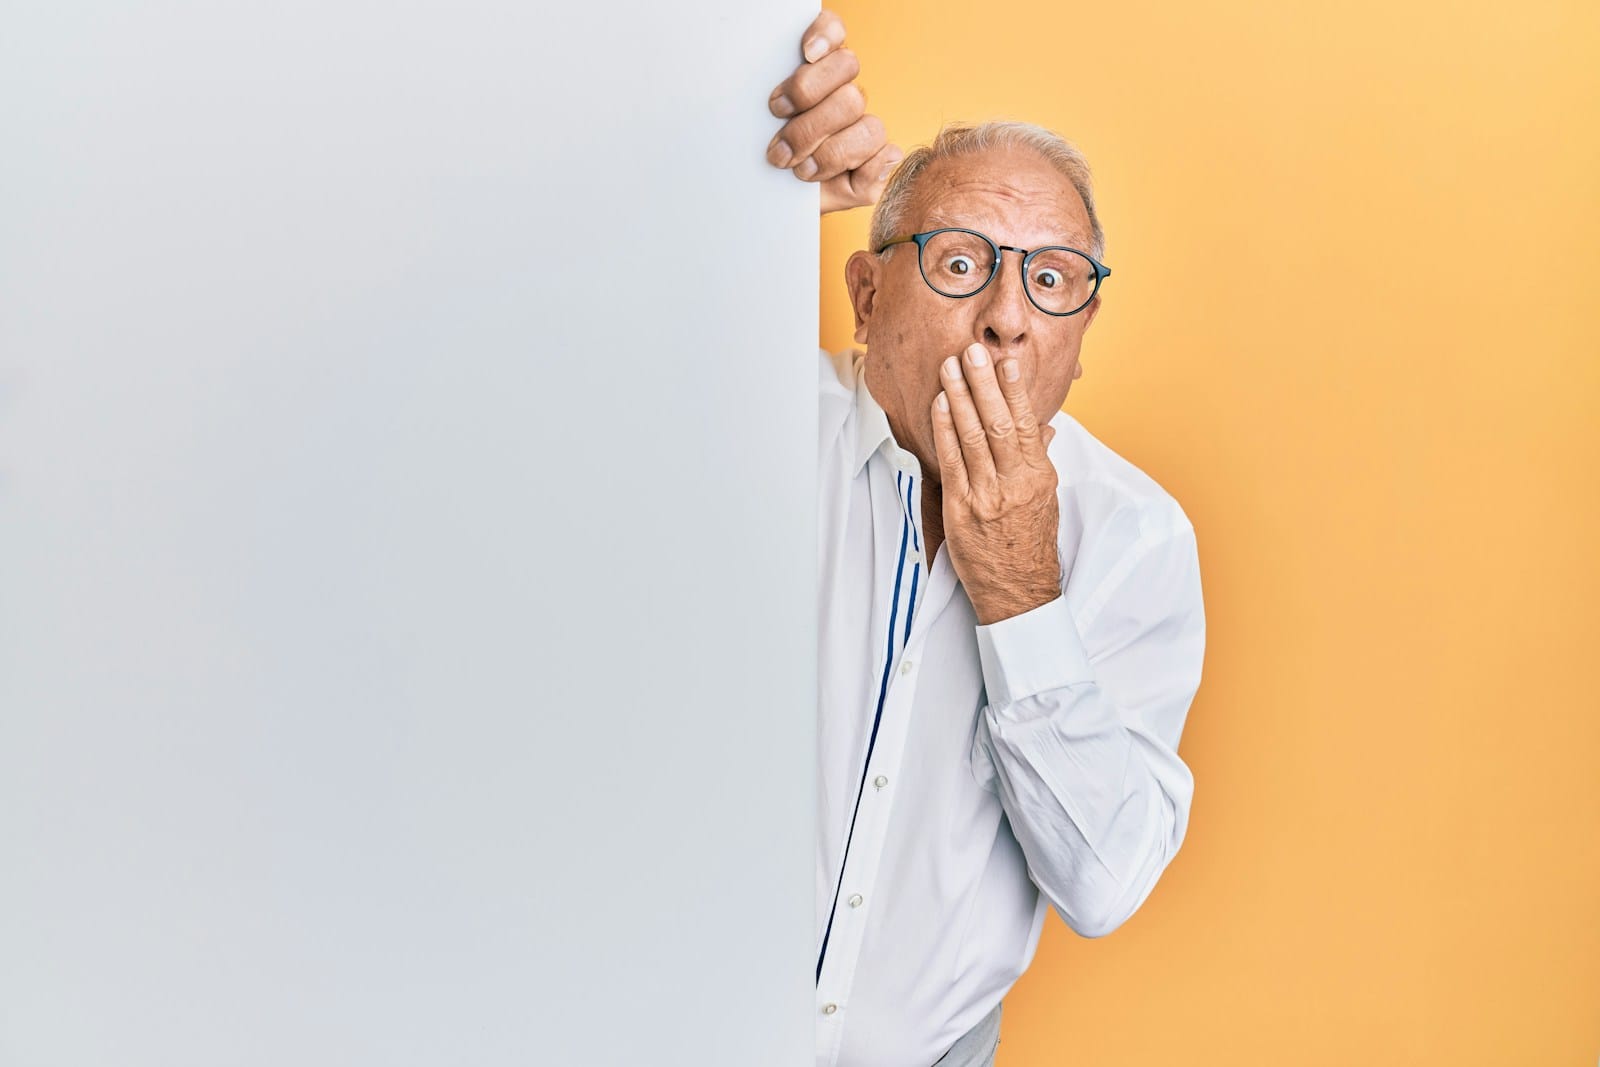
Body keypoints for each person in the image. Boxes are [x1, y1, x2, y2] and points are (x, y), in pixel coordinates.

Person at [769, 15, 1206, 1067]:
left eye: (1053, 280)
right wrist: (725, 175)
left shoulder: (1135, 536)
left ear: (1078, 339)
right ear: (867, 296)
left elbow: (1103, 881)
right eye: (961, 261)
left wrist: (1020, 590)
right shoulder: (754, 435)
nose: (1008, 317)